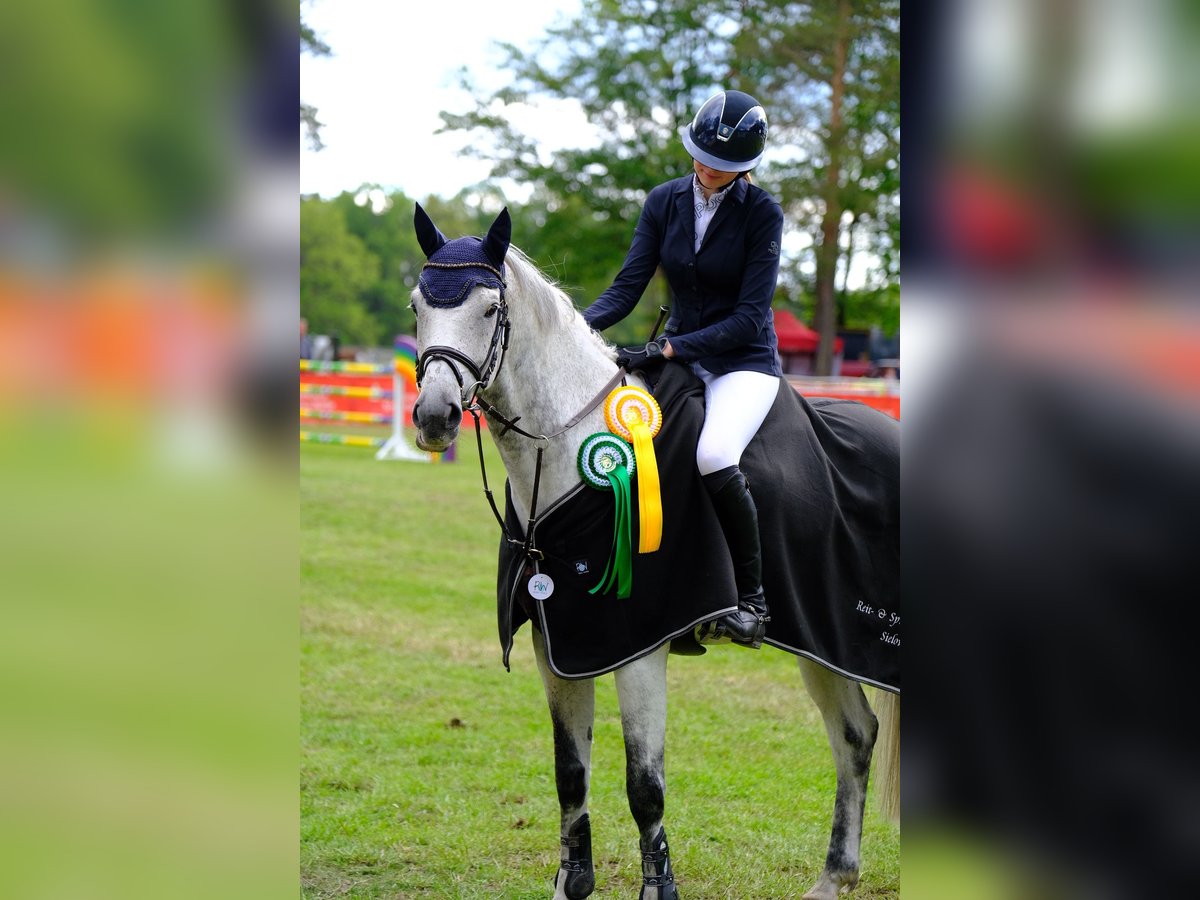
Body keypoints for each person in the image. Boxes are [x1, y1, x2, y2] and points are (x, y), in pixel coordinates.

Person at [582, 89, 784, 648]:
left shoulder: (763, 213)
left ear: (745, 165)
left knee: (713, 454)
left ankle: (753, 603)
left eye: (720, 163)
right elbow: (627, 287)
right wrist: (571, 327)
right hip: (683, 357)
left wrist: (669, 350)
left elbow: (749, 317)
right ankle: (666, 593)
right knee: (644, 454)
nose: (706, 167)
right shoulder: (664, 201)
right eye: (701, 155)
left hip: (743, 362)